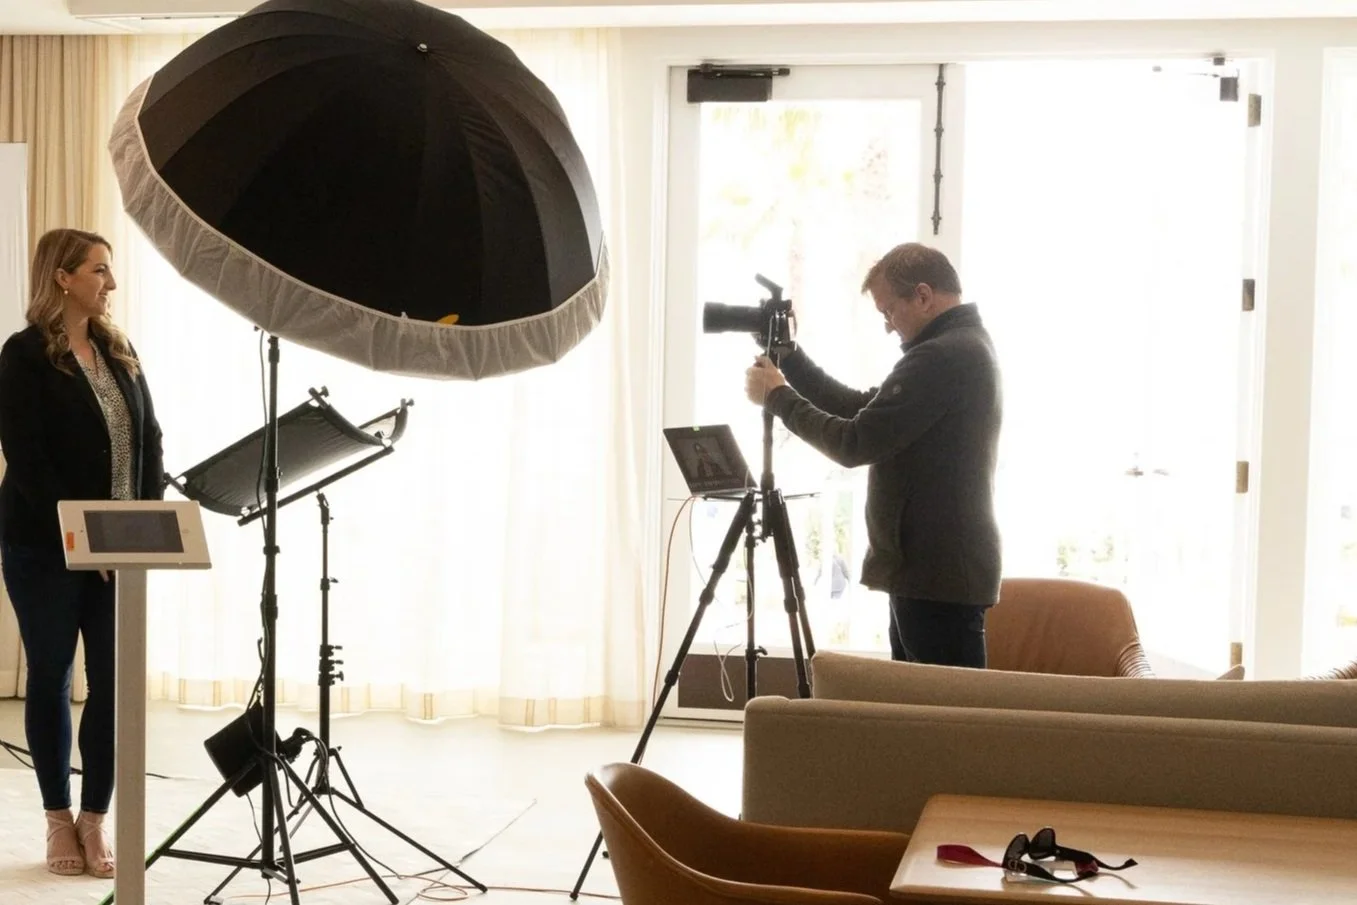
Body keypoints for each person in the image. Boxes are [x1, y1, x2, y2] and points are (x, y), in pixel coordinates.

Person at [744, 242, 1002, 668]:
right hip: (933, 571)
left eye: (888, 311)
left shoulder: (943, 356)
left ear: (922, 295)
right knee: (924, 718)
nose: (887, 326)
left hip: (936, 573)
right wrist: (789, 359)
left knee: (944, 725)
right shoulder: (958, 346)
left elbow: (854, 442)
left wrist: (778, 398)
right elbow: (863, 407)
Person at [0, 228, 164, 878]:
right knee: (51, 677)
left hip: (120, 548)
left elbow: (150, 441)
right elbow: (29, 461)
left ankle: (96, 817)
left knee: (115, 685)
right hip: (42, 544)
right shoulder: (21, 356)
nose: (111, 283)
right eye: (100, 270)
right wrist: (81, 538)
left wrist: (146, 526)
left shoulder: (120, 353)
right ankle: (56, 817)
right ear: (63, 276)